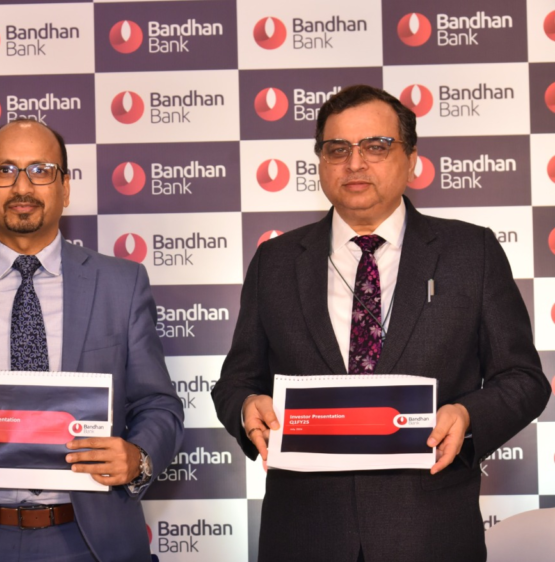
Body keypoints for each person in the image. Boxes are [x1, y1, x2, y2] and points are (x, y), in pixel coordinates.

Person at [212, 84, 550, 562]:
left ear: (411, 159)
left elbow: (523, 379)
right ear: (320, 162)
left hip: (430, 533)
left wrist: (468, 416)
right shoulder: (276, 261)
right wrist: (247, 406)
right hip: (304, 535)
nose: (355, 163)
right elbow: (236, 381)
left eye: (376, 146)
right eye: (337, 150)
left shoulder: (470, 253)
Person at [0, 119, 184, 562]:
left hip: (91, 541)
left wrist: (137, 458)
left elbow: (159, 405)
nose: (22, 186)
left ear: (65, 187)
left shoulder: (122, 284)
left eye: (40, 170)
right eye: (4, 171)